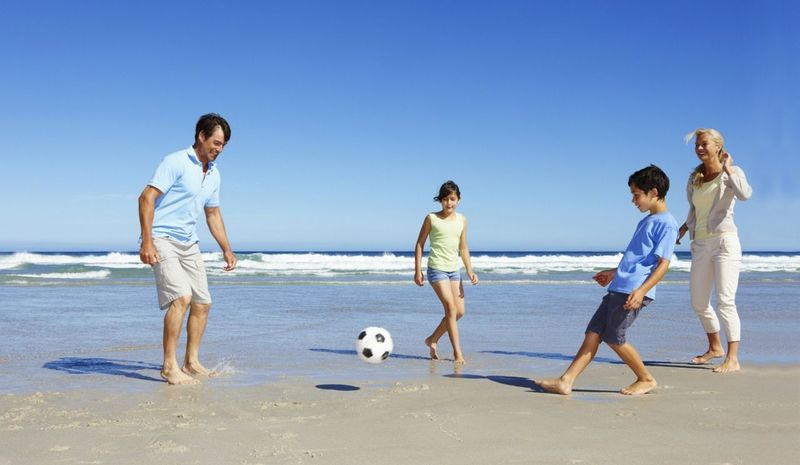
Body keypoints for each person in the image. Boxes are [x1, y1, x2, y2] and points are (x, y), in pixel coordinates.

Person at [537, 165, 678, 395]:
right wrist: (614, 272)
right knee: (593, 332)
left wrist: (642, 291)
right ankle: (566, 381)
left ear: (653, 192)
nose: (633, 200)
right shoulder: (646, 221)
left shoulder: (667, 224)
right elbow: (639, 259)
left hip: (633, 291)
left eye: (636, 195)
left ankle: (646, 378)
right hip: (620, 285)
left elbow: (663, 264)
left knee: (614, 337)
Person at [138, 113, 237, 385]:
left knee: (203, 303)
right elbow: (146, 197)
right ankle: (169, 366)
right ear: (201, 136)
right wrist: (147, 241)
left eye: (223, 145)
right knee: (181, 297)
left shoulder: (214, 174)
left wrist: (227, 249)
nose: (219, 149)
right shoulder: (176, 162)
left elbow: (213, 214)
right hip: (162, 238)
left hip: (188, 242)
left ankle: (191, 362)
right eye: (216, 142)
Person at [676, 128, 752, 373]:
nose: (699, 148)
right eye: (697, 145)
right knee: (698, 302)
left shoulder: (733, 172)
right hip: (700, 244)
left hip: (724, 243)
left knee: (725, 302)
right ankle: (715, 347)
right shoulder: (694, 178)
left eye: (704, 144)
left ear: (718, 146)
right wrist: (682, 230)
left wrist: (728, 169)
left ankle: (732, 358)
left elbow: (745, 195)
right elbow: (695, 212)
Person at [414, 181, 478, 365]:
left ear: (458, 199)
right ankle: (458, 354)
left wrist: (469, 270)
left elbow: (463, 247)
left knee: (459, 312)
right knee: (450, 309)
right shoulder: (431, 218)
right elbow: (419, 244)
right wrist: (417, 270)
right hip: (437, 269)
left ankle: (432, 339)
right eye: (445, 199)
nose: (448, 203)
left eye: (452, 199)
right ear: (440, 200)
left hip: (454, 270)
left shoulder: (462, 220)